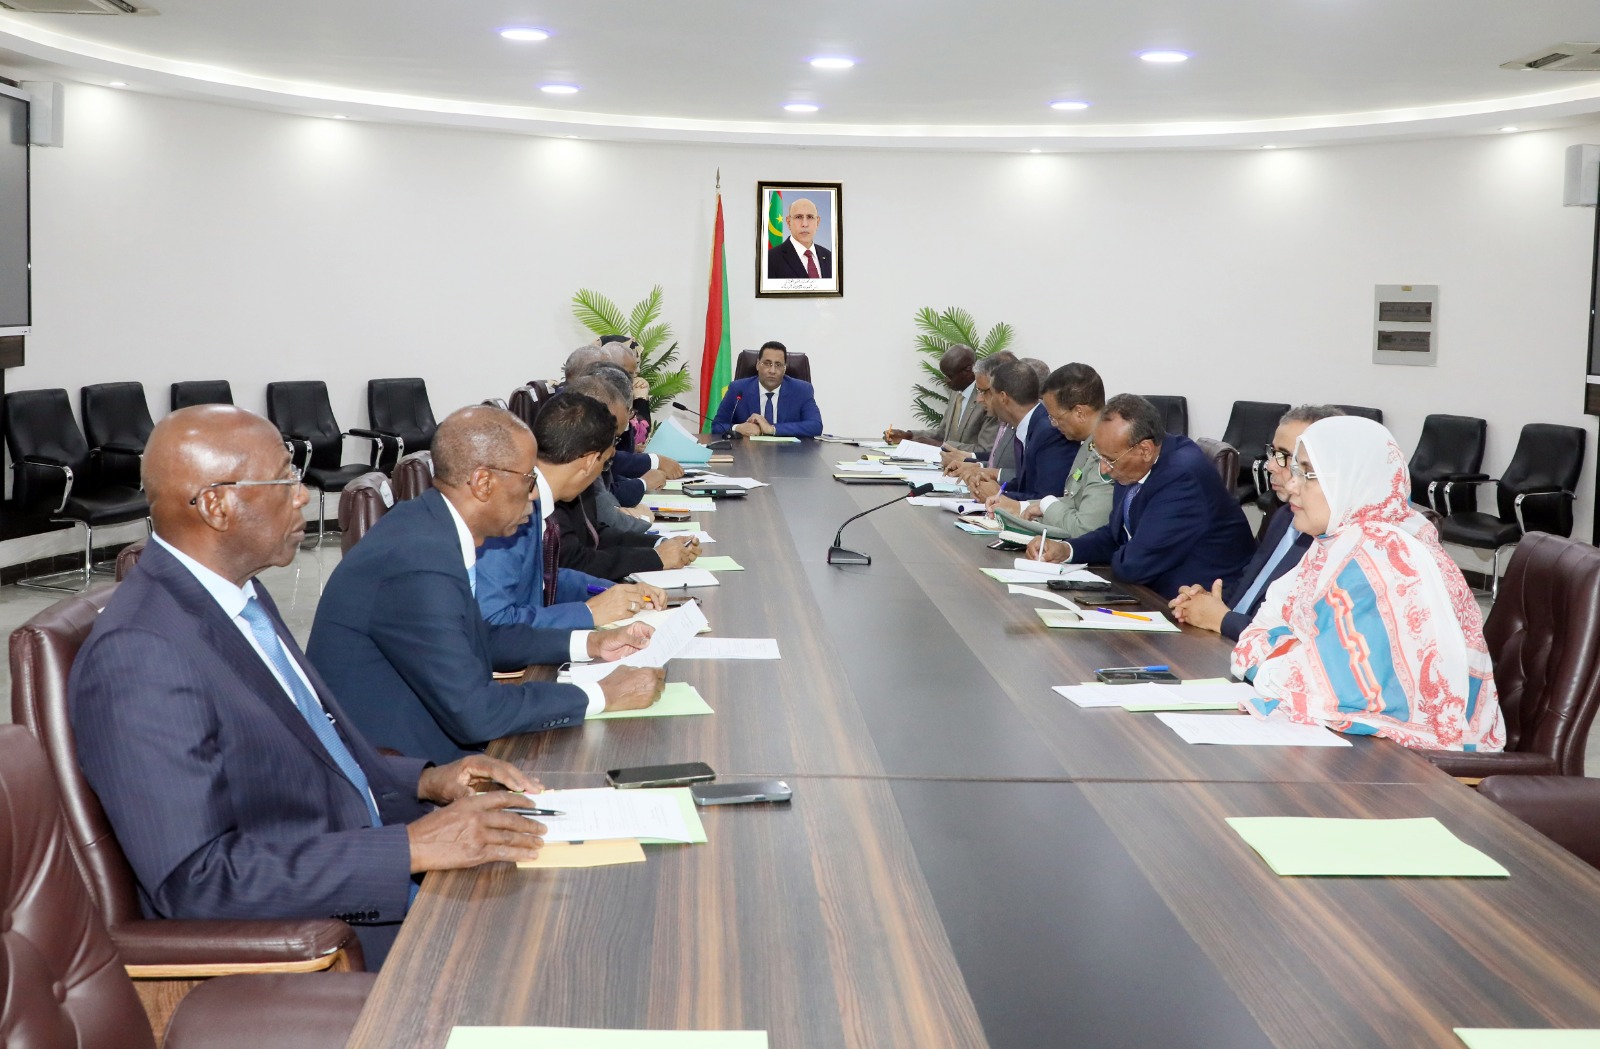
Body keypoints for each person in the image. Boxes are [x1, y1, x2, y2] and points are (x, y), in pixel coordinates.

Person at [69, 405, 551, 969]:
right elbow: (197, 879)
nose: (302, 496)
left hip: (358, 866)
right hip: (317, 940)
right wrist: (410, 848)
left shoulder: (238, 595)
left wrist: (427, 781)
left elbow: (313, 756)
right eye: (284, 481)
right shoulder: (140, 652)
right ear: (218, 506)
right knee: (544, 953)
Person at [307, 405, 665, 764]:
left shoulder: (430, 526)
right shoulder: (419, 560)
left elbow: (484, 636)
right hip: (404, 767)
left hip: (430, 739)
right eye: (528, 479)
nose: (534, 494)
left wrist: (591, 643)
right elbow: (476, 713)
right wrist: (601, 694)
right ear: (483, 483)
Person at [1231, 416, 1506, 751]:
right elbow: (1255, 637)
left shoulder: (1380, 555)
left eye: (1308, 474)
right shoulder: (1336, 543)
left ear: (1351, 480)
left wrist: (1279, 650)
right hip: (1369, 746)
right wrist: (1288, 651)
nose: (1291, 485)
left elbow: (1324, 690)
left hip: (1424, 764)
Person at [1025, 394, 1255, 599]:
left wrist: (1123, 551)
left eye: (1109, 460)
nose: (1104, 469)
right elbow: (1116, 535)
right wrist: (1067, 550)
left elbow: (1133, 566)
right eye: (1100, 457)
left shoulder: (1181, 477)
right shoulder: (1134, 465)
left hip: (1200, 604)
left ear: (1145, 450)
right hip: (1155, 591)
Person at [1169, 405, 1344, 640]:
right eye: (1272, 453)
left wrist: (1222, 619)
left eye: (1285, 457)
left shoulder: (1337, 541)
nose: (1270, 466)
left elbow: (1298, 641)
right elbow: (1249, 586)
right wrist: (1205, 601)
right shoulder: (1283, 515)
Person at [542, 391, 702, 581]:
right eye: (606, 463)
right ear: (591, 461)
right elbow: (576, 563)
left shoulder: (565, 492)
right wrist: (655, 558)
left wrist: (659, 545)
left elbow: (595, 535)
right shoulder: (531, 504)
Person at [987, 363, 1113, 537]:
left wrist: (1045, 505)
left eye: (1055, 418)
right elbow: (1072, 502)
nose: (1053, 424)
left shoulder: (1107, 454)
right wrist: (1020, 506)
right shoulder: (1088, 445)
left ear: (1079, 412)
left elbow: (1084, 529)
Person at [951, 359, 1074, 503]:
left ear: (1003, 398)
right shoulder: (1030, 423)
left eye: (988, 393)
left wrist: (999, 495)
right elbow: (1024, 486)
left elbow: (1046, 498)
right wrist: (987, 486)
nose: (979, 399)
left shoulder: (1049, 432)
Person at [883, 343, 1000, 456]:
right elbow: (942, 433)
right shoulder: (956, 392)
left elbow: (984, 450)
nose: (946, 380)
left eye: (950, 376)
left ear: (968, 370)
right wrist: (908, 436)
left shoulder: (987, 399)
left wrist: (940, 445)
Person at [710, 341, 824, 438]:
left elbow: (815, 426)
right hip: (747, 453)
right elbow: (716, 426)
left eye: (778, 365)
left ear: (784, 369)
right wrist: (737, 428)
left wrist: (772, 429)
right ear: (757, 365)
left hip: (788, 454)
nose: (772, 371)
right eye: (767, 363)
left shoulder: (802, 390)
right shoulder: (737, 389)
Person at [940, 351, 1017, 476]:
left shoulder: (1029, 425)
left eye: (983, 392)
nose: (979, 399)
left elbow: (1020, 475)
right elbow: (995, 460)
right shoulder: (1008, 421)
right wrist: (970, 459)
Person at [766, 197, 832, 279]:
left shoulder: (830, 257)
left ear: (817, 222)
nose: (804, 224)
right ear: (788, 222)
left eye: (810, 217)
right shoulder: (770, 259)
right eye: (798, 217)